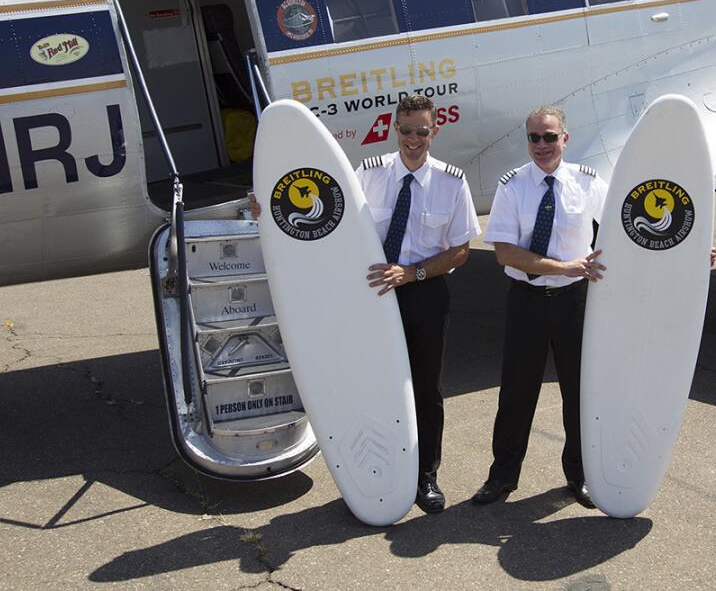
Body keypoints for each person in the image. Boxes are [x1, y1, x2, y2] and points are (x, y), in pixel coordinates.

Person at [250, 94, 478, 515]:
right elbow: (327, 222)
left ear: (434, 131)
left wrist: (412, 274)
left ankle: (426, 477)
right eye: (406, 130)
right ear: (396, 128)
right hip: (371, 295)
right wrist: (267, 209)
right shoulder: (367, 175)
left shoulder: (452, 181)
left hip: (425, 292)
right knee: (372, 382)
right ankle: (384, 469)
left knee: (426, 390)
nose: (413, 139)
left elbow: (461, 250)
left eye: (422, 132)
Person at [472, 105, 606, 509]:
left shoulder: (589, 183)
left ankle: (581, 475)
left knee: (580, 393)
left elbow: (628, 226)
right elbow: (505, 253)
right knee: (516, 393)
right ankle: (502, 477)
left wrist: (688, 250)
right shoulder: (512, 186)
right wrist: (565, 266)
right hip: (527, 301)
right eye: (534, 138)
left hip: (575, 302)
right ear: (526, 141)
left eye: (550, 137)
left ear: (566, 138)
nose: (542, 145)